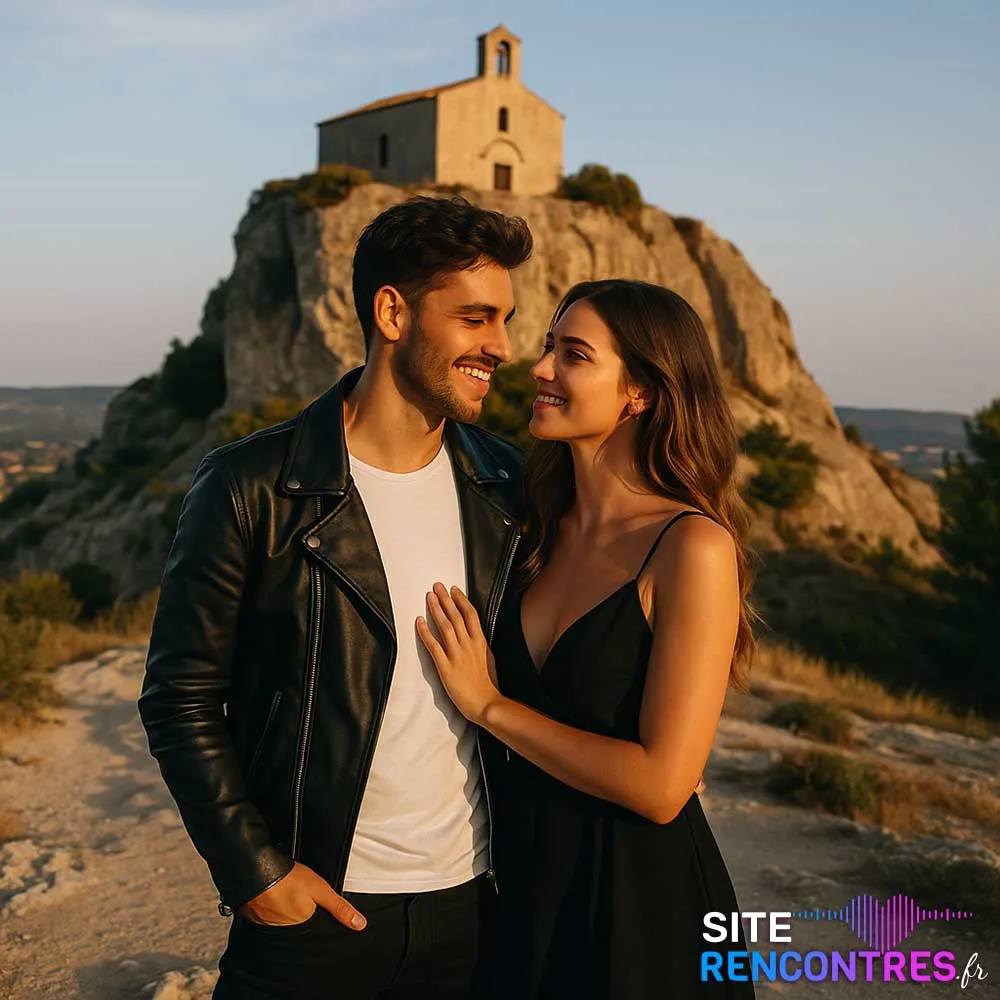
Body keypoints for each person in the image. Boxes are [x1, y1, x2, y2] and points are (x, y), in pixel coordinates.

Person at [138, 195, 532, 999]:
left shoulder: (507, 484)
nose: (503, 347)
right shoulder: (254, 485)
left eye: (506, 320)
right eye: (476, 319)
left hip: (477, 910)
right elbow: (179, 698)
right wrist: (256, 873)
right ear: (392, 311)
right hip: (311, 917)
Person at [417, 279, 759, 999]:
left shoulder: (690, 546)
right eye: (548, 346)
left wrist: (491, 707)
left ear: (640, 392)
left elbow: (665, 786)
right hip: (519, 891)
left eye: (573, 355)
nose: (540, 368)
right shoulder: (526, 526)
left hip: (639, 905)